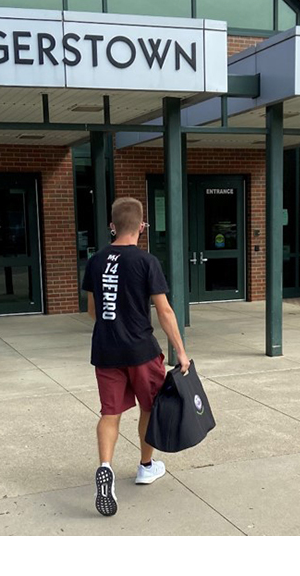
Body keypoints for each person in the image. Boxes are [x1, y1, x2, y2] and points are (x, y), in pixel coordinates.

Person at [82, 196, 190, 517]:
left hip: (105, 350)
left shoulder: (96, 261)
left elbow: (93, 312)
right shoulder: (146, 262)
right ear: (142, 226)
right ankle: (145, 466)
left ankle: (106, 467)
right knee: (149, 407)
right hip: (141, 351)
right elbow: (165, 311)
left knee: (110, 413)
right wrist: (181, 354)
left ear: (112, 226)